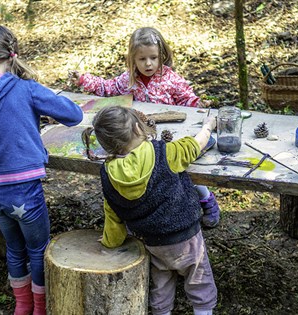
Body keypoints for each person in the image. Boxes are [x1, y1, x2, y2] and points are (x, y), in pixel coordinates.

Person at [0, 25, 83, 315]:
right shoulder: (26, 88)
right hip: (25, 190)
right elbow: (75, 115)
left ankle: (21, 305)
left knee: (15, 248)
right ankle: (40, 307)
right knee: (37, 248)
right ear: (13, 56)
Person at [70, 26, 220, 228]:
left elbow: (187, 98)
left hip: (171, 135)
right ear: (133, 59)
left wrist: (199, 105)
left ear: (161, 56)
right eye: (142, 59)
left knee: (184, 166)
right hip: (141, 138)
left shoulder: (170, 78)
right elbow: (106, 88)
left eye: (153, 57)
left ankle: (206, 200)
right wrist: (83, 79)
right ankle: (154, 208)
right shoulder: (128, 80)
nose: (148, 64)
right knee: (153, 176)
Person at [82, 106, 218, 315]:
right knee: (198, 279)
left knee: (161, 281)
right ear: (139, 128)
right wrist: (208, 127)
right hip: (186, 236)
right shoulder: (164, 152)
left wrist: (111, 241)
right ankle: (203, 311)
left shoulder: (107, 173)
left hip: (152, 241)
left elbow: (112, 214)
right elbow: (195, 145)